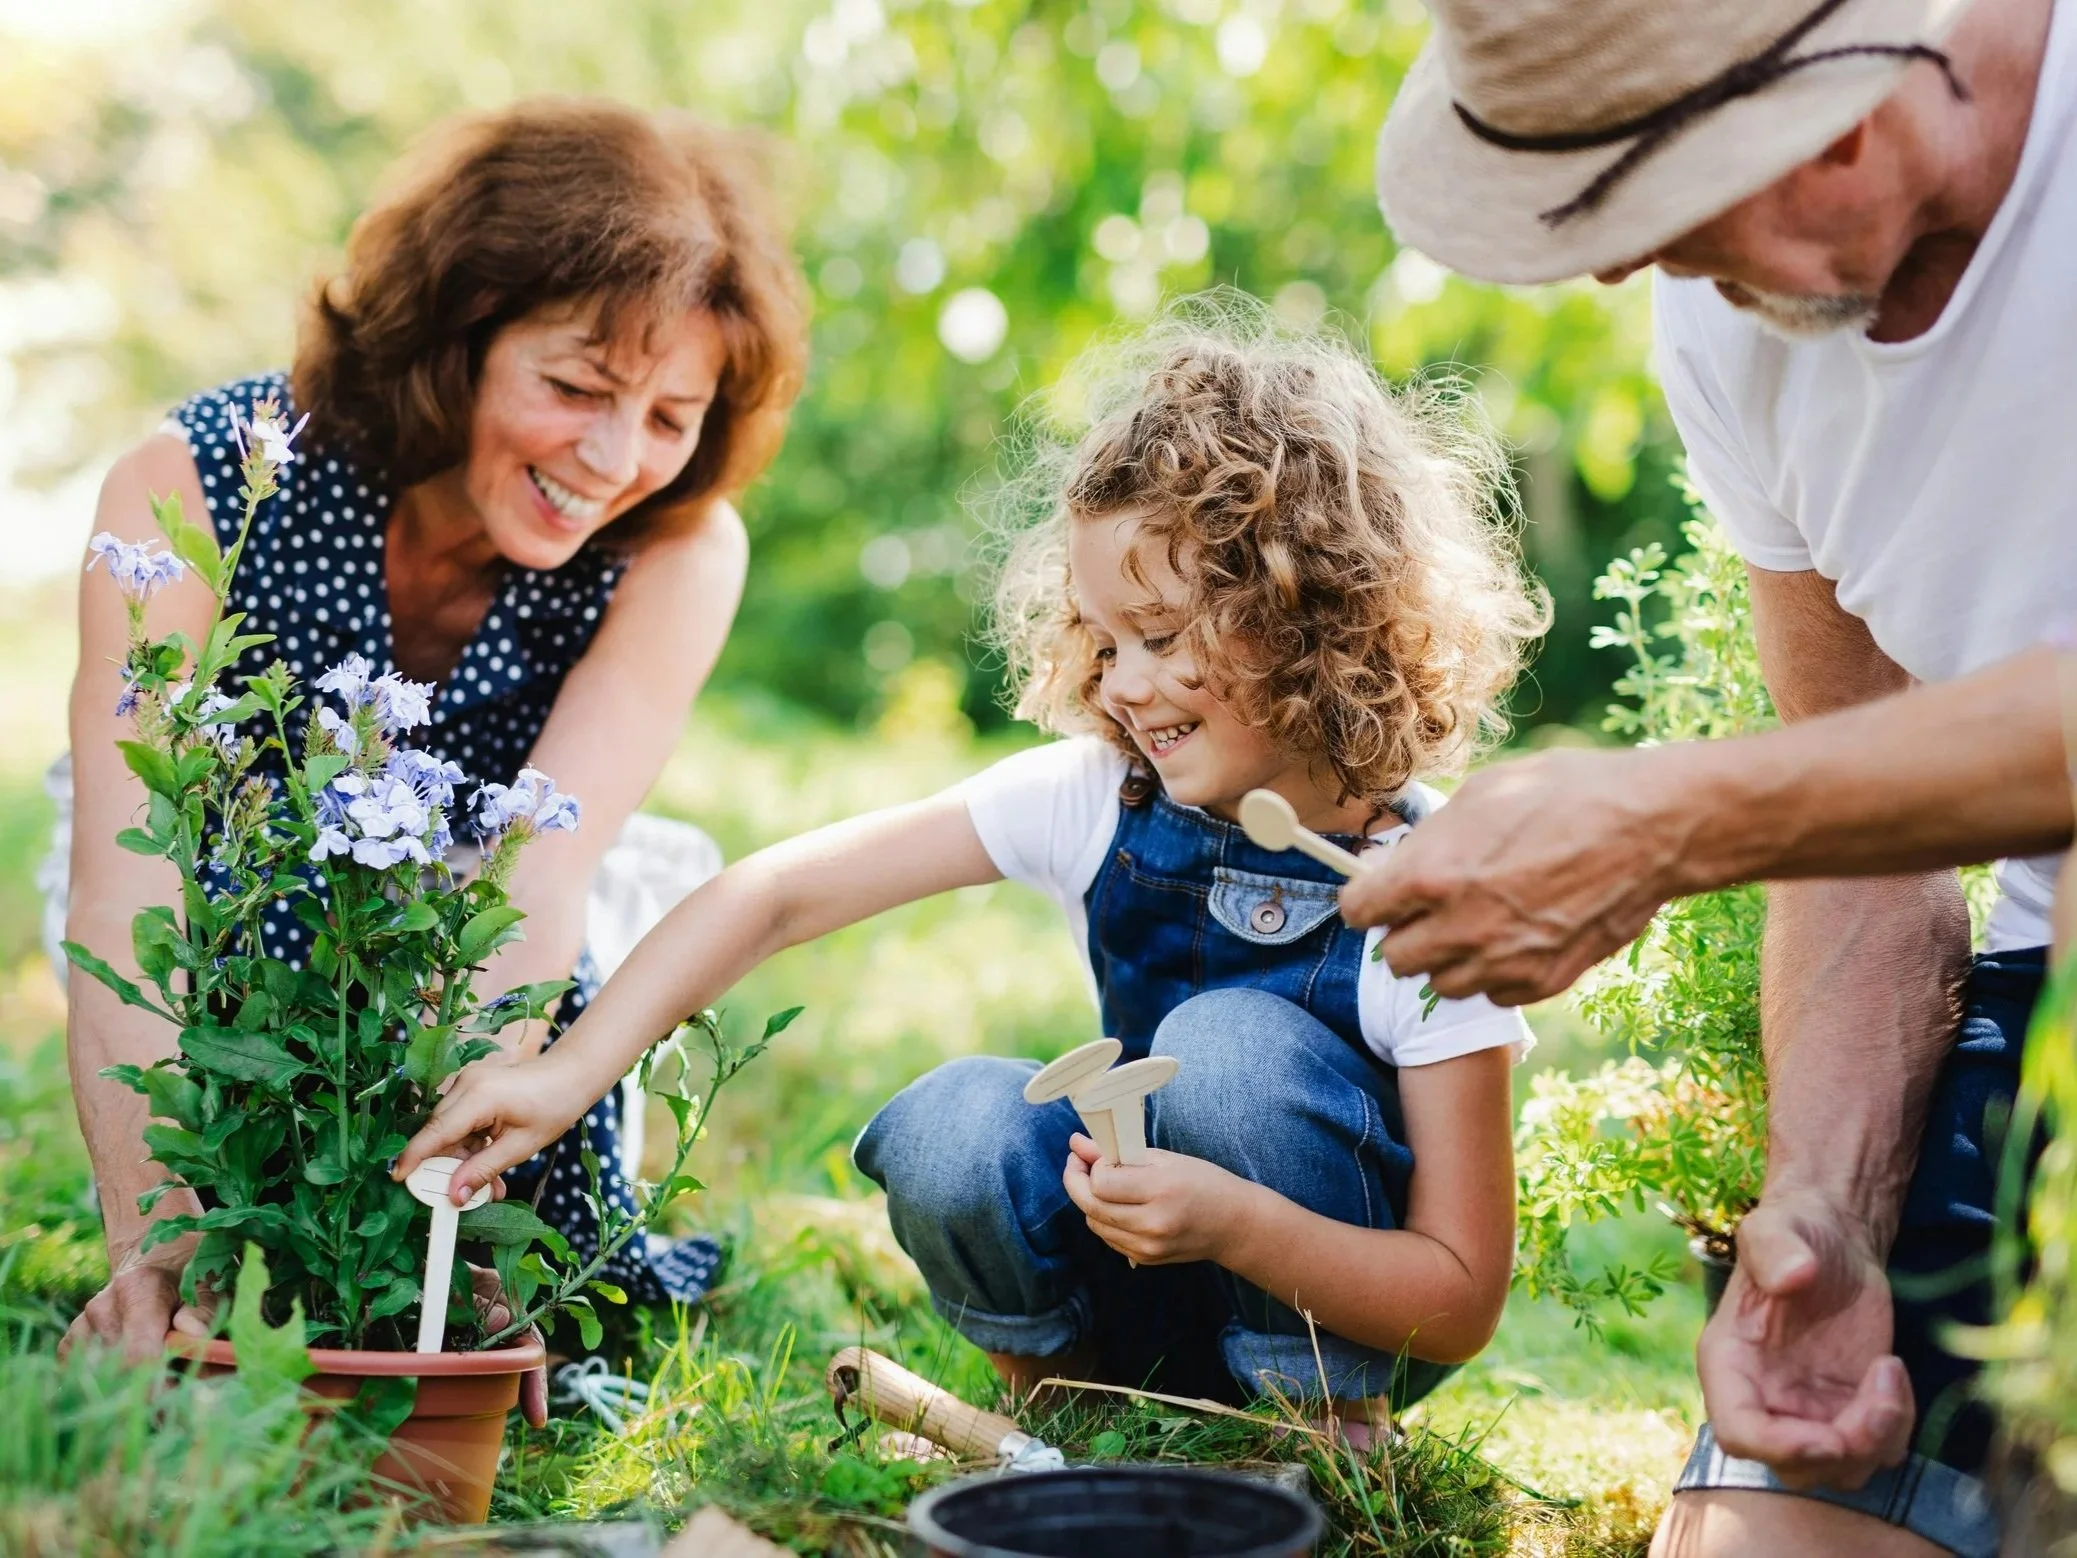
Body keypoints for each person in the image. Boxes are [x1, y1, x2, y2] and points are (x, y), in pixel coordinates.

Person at [396, 303, 1549, 1434]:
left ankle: (1323, 1426)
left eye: (1162, 636)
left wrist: (1235, 1222)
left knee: (1232, 1055)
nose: (1122, 686)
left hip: (1331, 1303)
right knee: (955, 1121)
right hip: (1135, 1265)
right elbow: (775, 895)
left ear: (1309, 618)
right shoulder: (1101, 796)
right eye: (1104, 640)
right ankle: (1062, 1403)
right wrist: (564, 1075)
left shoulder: (1426, 892)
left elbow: (1455, 1297)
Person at [1362, 0, 2072, 1552]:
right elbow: (1864, 829)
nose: (1624, 267)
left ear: (1838, 112)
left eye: (1656, 202)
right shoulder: (1733, 328)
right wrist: (1826, 1206)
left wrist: (1667, 818)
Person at [57, 97, 808, 1361]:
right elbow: (125, 871)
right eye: (575, 386)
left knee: (547, 1271)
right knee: (232, 1220)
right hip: (224, 938)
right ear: (458, 341)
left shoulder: (677, 548)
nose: (617, 457)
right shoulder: (187, 480)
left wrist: (435, 1179)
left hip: (473, 961)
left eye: (671, 417)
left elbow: (540, 871)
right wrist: (157, 1236)